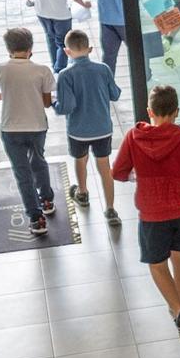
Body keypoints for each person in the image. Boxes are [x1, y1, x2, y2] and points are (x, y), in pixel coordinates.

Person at [110, 85, 180, 342]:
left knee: (157, 264)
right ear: (177, 111)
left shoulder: (133, 137)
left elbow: (118, 172)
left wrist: (138, 176)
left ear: (149, 111)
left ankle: (178, 310)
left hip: (152, 211)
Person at [0, 26, 58, 236]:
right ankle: (47, 198)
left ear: (8, 49)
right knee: (39, 161)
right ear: (30, 48)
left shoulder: (0, 69)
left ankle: (36, 219)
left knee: (22, 173)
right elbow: (46, 103)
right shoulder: (42, 70)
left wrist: (7, 96)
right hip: (36, 125)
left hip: (10, 128)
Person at [53, 28, 122, 225]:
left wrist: (54, 105)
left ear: (67, 52)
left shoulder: (66, 75)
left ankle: (82, 193)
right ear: (90, 48)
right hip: (102, 128)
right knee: (104, 166)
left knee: (80, 159)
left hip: (78, 130)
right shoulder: (103, 69)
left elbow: (67, 107)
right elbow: (115, 94)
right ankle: (110, 209)